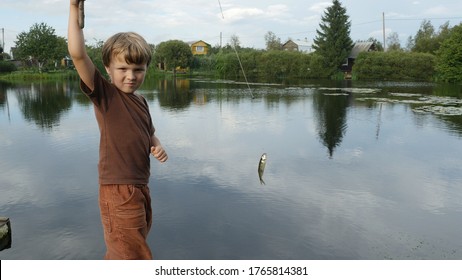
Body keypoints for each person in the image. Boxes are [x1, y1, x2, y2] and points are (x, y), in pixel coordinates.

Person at [68, 0, 168, 259]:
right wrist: (73, 10)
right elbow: (78, 55)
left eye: (138, 69)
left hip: (140, 187)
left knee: (127, 250)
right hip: (118, 189)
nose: (131, 76)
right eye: (123, 69)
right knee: (130, 255)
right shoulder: (106, 96)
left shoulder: (142, 101)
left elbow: (148, 132)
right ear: (108, 70)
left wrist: (156, 145)